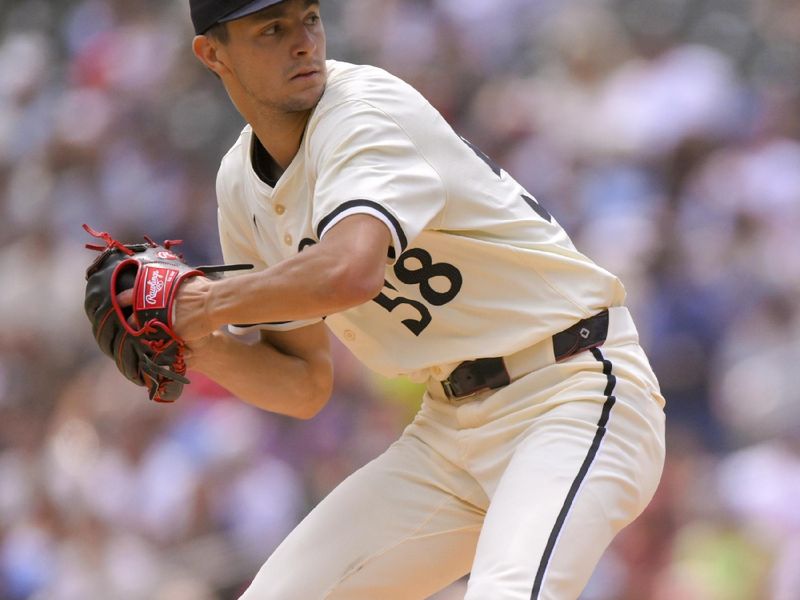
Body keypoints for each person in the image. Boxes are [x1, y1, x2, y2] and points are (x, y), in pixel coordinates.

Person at [176, 0, 667, 598]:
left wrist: (204, 304)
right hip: (448, 428)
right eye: (271, 30)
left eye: (309, 18)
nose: (303, 43)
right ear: (213, 53)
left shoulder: (361, 111)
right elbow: (303, 383)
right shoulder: (240, 186)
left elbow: (351, 271)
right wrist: (195, 347)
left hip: (571, 391)